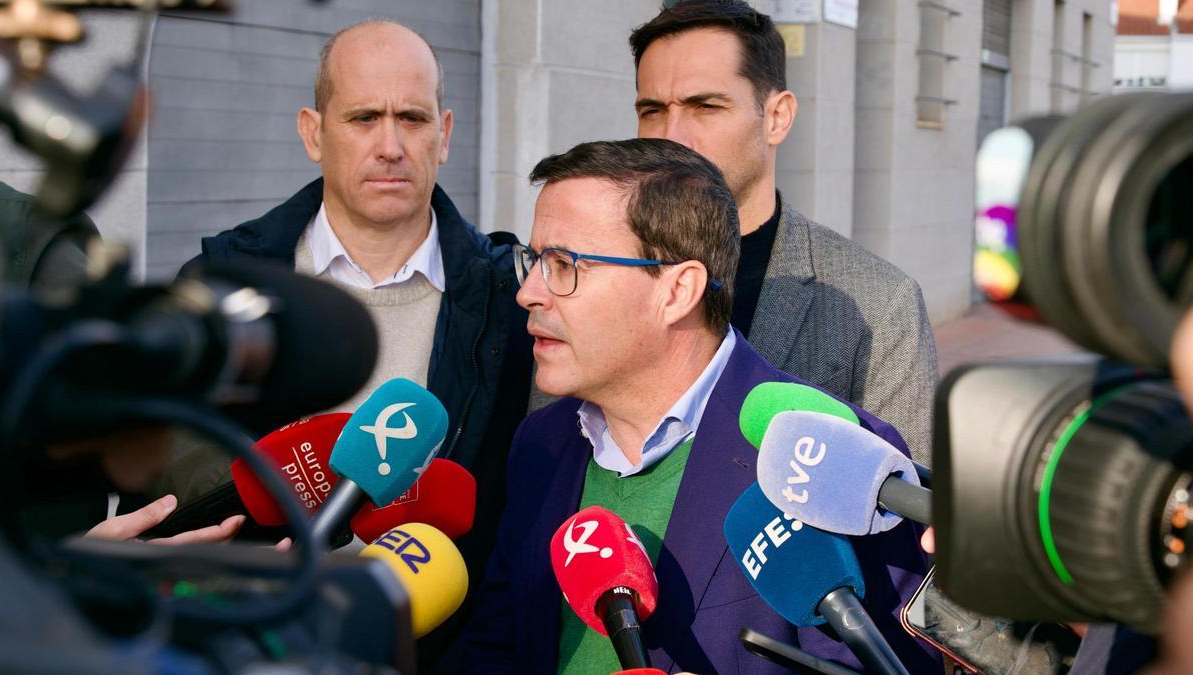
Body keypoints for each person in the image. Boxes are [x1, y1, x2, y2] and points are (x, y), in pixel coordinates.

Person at [462, 138, 937, 674]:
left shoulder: (836, 463)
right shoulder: (539, 445)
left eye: (563, 264)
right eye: (533, 260)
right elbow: (496, 647)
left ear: (677, 290)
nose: (528, 291)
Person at [180, 19, 532, 665]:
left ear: (446, 134)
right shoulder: (221, 283)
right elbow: (172, 485)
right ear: (314, 132)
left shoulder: (511, 300)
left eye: (413, 119)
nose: (391, 145)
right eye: (364, 117)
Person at [628, 0, 938, 464]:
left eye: (705, 106)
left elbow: (909, 511)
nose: (671, 136)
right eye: (652, 110)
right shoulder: (588, 271)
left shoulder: (881, 304)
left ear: (777, 118)